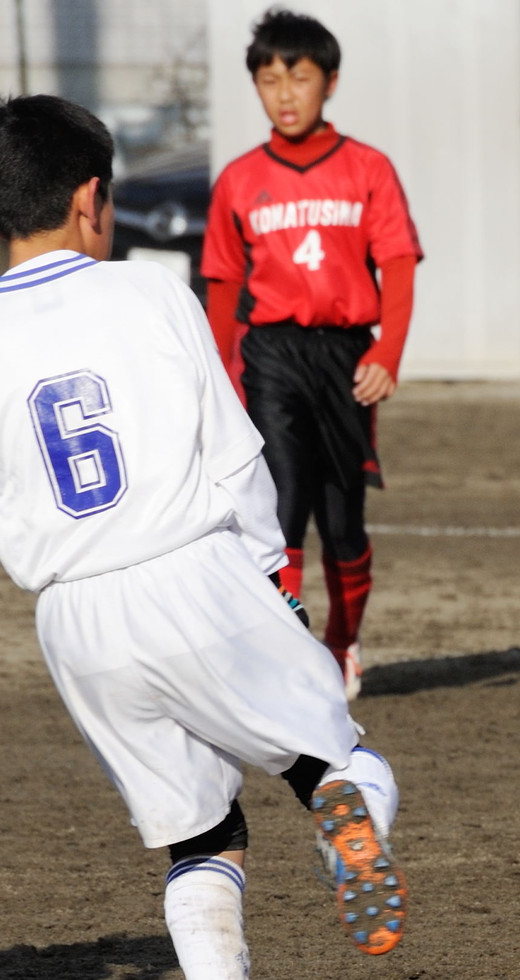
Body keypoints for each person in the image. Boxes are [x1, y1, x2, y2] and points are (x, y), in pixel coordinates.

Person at [0, 96, 408, 980]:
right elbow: (236, 461)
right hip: (189, 572)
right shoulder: (152, 297)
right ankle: (344, 817)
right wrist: (275, 586)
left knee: (201, 833)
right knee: (339, 757)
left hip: (73, 620)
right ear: (94, 199)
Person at [203, 8, 423, 698]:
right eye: (269, 79)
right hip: (269, 353)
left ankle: (343, 641)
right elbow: (223, 286)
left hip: (345, 358)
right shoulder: (239, 180)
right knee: (283, 497)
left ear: (329, 81)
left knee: (342, 514)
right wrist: (216, 377)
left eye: (298, 76)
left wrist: (387, 350)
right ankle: (290, 650)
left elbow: (399, 264)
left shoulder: (367, 169)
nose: (284, 93)